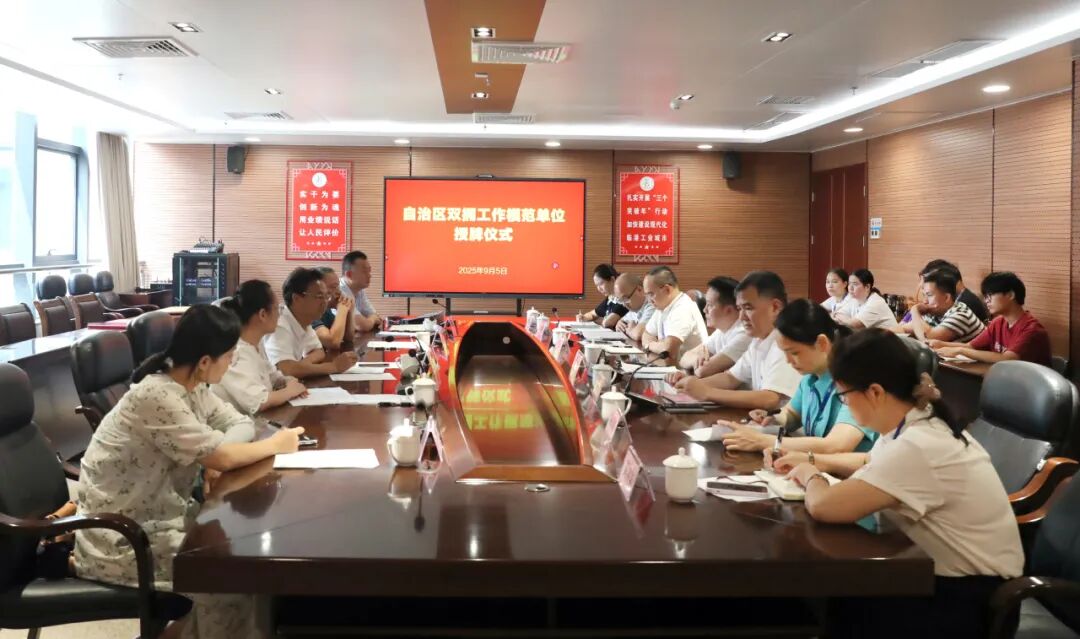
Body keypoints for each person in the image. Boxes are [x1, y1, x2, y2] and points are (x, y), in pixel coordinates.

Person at [74, 305, 306, 639]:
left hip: (165, 519)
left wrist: (214, 456)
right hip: (123, 540)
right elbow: (225, 455)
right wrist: (271, 446)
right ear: (205, 361)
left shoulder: (192, 386)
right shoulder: (156, 396)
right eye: (229, 356)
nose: (232, 363)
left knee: (249, 562)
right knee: (232, 579)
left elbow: (239, 423)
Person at [781, 329, 1022, 639]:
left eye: (844, 395)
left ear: (875, 392)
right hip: (943, 578)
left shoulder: (918, 445)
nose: (845, 404)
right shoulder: (915, 422)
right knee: (838, 596)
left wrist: (809, 475)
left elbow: (824, 506)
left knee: (837, 600)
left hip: (968, 600)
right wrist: (814, 460)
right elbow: (871, 462)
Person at [719, 299, 878, 455]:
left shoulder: (857, 380)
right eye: (784, 353)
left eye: (794, 352)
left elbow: (837, 445)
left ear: (822, 343)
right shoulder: (810, 379)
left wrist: (762, 441)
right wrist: (773, 418)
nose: (788, 361)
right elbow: (792, 414)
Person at [672, 271, 801, 409]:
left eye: (748, 308)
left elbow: (771, 398)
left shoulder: (786, 341)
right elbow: (731, 378)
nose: (741, 317)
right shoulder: (758, 340)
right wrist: (689, 384)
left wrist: (707, 392)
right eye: (740, 309)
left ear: (775, 307)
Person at [216, 280, 308, 414]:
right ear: (263, 314)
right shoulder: (236, 352)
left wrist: (288, 381)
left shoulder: (256, 344)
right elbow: (258, 402)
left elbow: (274, 378)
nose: (279, 314)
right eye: (277, 308)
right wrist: (290, 391)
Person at [931, 271, 1051, 366]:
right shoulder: (998, 322)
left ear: (1010, 295)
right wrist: (939, 344)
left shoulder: (1032, 329)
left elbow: (1007, 359)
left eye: (990, 295)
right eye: (985, 296)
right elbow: (970, 346)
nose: (986, 301)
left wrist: (960, 351)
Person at [265, 267, 358, 378]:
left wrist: (299, 367)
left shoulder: (304, 320)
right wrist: (333, 367)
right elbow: (285, 370)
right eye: (319, 296)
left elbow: (318, 351)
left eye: (326, 296)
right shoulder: (279, 324)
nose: (325, 302)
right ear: (297, 298)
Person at [674, 276, 750, 377]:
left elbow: (703, 371)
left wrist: (697, 363)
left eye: (709, 305)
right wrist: (696, 360)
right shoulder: (721, 331)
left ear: (729, 310)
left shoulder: (744, 334)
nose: (704, 310)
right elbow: (684, 358)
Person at [640, 266, 708, 363]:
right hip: (673, 367)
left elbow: (668, 350)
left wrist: (650, 345)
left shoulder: (683, 308)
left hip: (690, 370)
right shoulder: (663, 306)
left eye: (651, 294)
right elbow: (646, 334)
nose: (649, 300)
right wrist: (657, 345)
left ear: (667, 289)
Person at [896, 269, 984, 343]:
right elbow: (904, 329)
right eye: (924, 295)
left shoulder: (961, 314)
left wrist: (915, 310)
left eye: (929, 295)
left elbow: (928, 339)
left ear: (946, 298)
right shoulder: (935, 311)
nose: (925, 301)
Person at [919, 259, 990, 324]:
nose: (925, 300)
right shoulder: (957, 299)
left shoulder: (964, 304)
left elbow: (930, 332)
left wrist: (915, 311)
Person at [834, 268, 898, 329]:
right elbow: (837, 313)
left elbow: (856, 324)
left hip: (889, 336)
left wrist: (845, 320)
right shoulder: (855, 299)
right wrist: (848, 320)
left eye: (855, 284)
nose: (850, 288)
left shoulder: (876, 302)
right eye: (849, 284)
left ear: (867, 287)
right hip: (872, 336)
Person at [312, 266, 355, 351]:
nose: (339, 291)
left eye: (338, 286)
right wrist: (342, 310)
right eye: (333, 287)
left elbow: (348, 337)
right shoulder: (309, 312)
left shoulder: (326, 311)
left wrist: (349, 311)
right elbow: (333, 342)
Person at [340, 250, 381, 332]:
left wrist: (370, 319)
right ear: (349, 275)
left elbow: (377, 317)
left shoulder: (359, 290)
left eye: (369, 271)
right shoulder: (339, 292)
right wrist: (372, 319)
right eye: (364, 272)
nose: (369, 275)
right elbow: (362, 326)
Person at [576, 264, 629, 328]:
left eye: (601, 284)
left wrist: (596, 320)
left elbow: (608, 323)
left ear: (612, 279)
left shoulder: (623, 298)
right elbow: (593, 314)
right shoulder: (610, 298)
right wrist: (583, 317)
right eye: (597, 285)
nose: (599, 289)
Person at [612, 272, 656, 342]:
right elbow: (622, 322)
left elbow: (639, 334)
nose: (624, 305)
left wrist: (630, 330)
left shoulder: (652, 305)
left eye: (625, 298)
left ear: (639, 290)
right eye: (621, 300)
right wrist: (619, 323)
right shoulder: (634, 309)